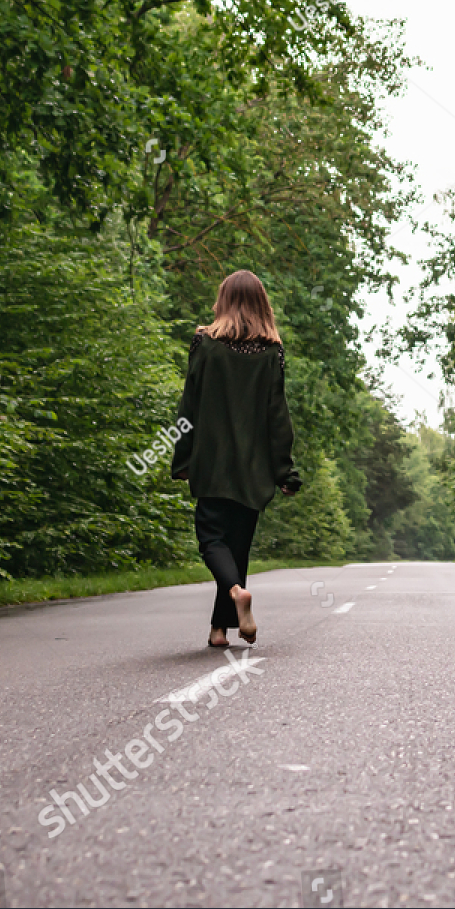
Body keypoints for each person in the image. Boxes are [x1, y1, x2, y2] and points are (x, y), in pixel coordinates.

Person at [172, 270, 302, 648]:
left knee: (212, 540)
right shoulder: (271, 352)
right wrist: (284, 471)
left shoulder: (204, 344)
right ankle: (218, 630)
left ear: (223, 301)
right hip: (253, 469)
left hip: (212, 463)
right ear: (263, 304)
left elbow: (189, 407)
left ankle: (233, 597)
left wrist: (182, 457)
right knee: (237, 547)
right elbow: (277, 416)